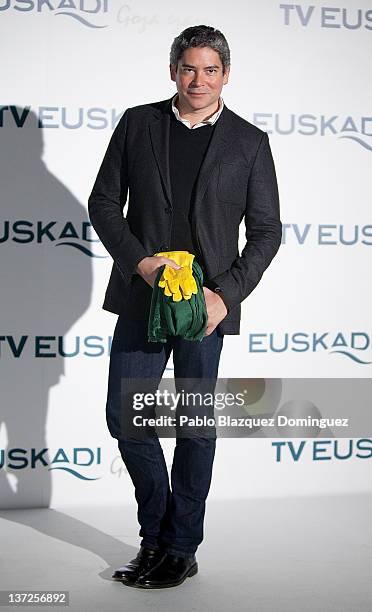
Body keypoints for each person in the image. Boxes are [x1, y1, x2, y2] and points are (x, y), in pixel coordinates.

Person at [88, 24, 281, 589]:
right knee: (128, 420)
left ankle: (179, 547)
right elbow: (104, 203)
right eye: (189, 68)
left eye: (211, 69)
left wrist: (227, 295)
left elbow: (266, 231)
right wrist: (141, 263)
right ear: (173, 70)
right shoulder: (137, 123)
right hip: (142, 300)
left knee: (195, 427)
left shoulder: (249, 142)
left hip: (207, 309)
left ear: (226, 74)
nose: (199, 79)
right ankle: (158, 535)